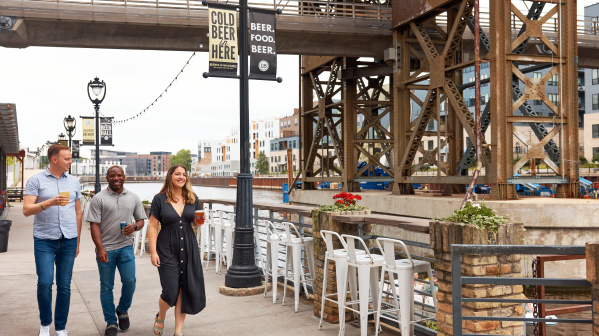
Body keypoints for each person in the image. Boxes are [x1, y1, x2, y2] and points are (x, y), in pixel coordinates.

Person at [23, 144, 82, 336]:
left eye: (70, 159)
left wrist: (78, 240)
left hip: (69, 239)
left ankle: (61, 327)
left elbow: (78, 211)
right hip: (44, 240)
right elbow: (26, 210)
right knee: (45, 283)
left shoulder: (74, 182)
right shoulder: (36, 180)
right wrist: (49, 202)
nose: (70, 162)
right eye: (67, 159)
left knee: (64, 285)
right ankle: (45, 324)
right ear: (54, 159)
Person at [85, 166, 147, 336]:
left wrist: (134, 227)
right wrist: (100, 249)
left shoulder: (133, 197)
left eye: (119, 175)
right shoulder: (98, 199)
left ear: (124, 177)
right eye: (112, 176)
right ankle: (111, 321)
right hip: (106, 250)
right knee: (106, 286)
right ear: (107, 178)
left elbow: (141, 220)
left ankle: (122, 309)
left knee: (130, 281)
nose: (116, 178)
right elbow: (94, 225)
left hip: (126, 247)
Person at [149, 165, 206, 336]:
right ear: (170, 176)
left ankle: (178, 331)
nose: (181, 177)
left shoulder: (192, 197)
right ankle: (161, 315)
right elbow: (152, 227)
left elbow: (196, 222)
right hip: (166, 248)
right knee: (171, 290)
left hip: (188, 247)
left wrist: (201, 221)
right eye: (177, 174)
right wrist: (153, 252)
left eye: (184, 175)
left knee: (185, 288)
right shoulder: (159, 199)